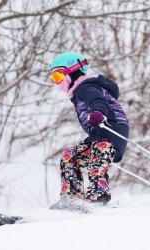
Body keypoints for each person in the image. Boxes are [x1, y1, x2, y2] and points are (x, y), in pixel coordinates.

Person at [50, 51, 129, 209]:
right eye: (54, 78)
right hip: (98, 136)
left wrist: (98, 112)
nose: (56, 82)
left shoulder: (87, 88)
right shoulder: (78, 93)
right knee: (69, 156)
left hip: (113, 132)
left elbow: (98, 101)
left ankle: (98, 196)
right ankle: (71, 197)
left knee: (98, 156)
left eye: (58, 76)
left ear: (71, 72)